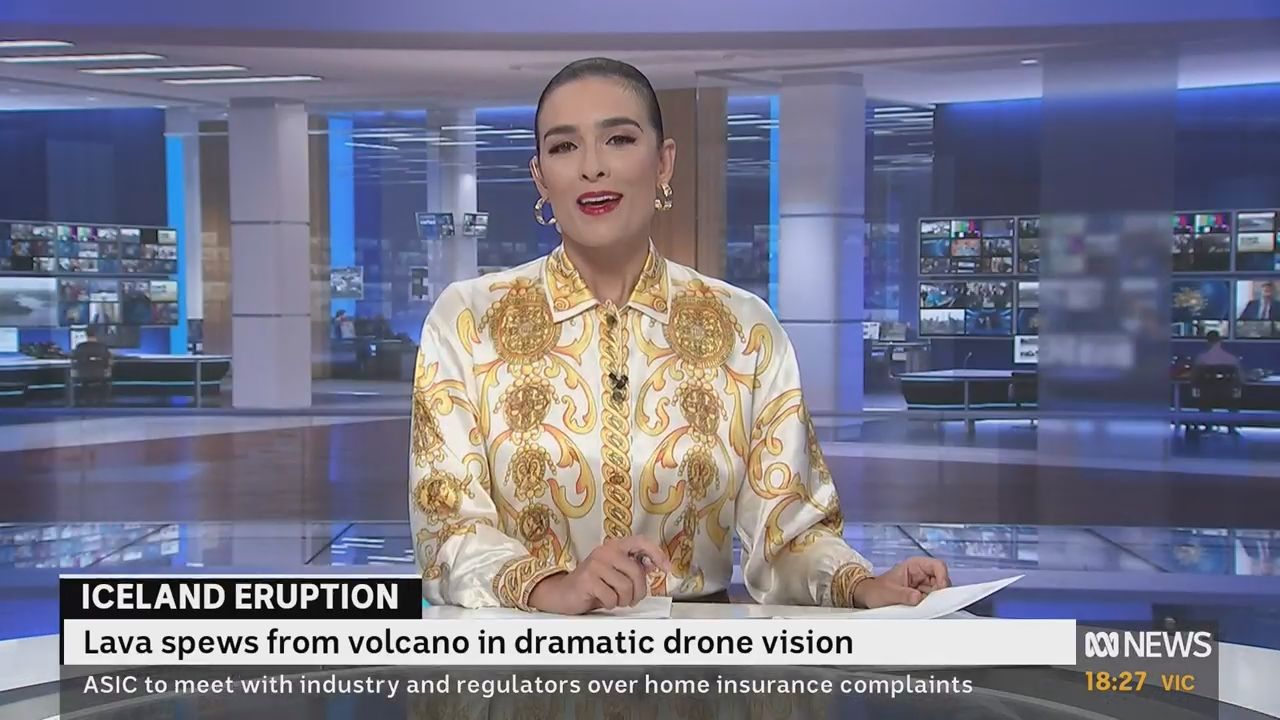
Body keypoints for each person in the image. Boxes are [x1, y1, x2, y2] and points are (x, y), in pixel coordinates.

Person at [409, 57, 948, 614]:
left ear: (663, 161)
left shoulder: (744, 329)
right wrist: (553, 588)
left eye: (619, 139)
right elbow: (446, 531)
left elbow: (789, 536)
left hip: (695, 656)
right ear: (541, 176)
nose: (592, 167)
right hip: (522, 652)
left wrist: (860, 585)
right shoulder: (468, 322)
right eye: (564, 147)